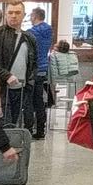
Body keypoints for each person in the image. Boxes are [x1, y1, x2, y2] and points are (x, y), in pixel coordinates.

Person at [0, 0, 37, 130]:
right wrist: (7, 75)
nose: (13, 16)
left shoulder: (29, 38)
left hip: (21, 89)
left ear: (24, 15)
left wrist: (29, 83)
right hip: (0, 89)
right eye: (10, 12)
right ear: (5, 14)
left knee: (14, 126)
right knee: (3, 127)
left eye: (17, 12)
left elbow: (33, 63)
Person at [27, 8, 53, 139]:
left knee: (29, 101)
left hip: (33, 69)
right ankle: (41, 130)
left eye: (31, 15)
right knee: (39, 100)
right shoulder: (49, 30)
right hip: (43, 68)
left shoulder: (31, 32)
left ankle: (28, 129)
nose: (30, 18)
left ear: (35, 16)